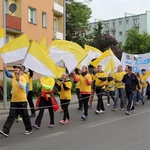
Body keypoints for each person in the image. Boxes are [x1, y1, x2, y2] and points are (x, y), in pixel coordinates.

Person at [0, 65, 32, 137]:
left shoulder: (23, 78)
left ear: (21, 71)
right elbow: (8, 75)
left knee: (25, 116)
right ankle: (5, 131)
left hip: (22, 100)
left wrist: (19, 81)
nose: (15, 71)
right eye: (14, 70)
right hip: (14, 100)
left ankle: (29, 129)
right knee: (11, 116)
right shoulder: (14, 77)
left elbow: (23, 87)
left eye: (17, 70)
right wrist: (5, 69)